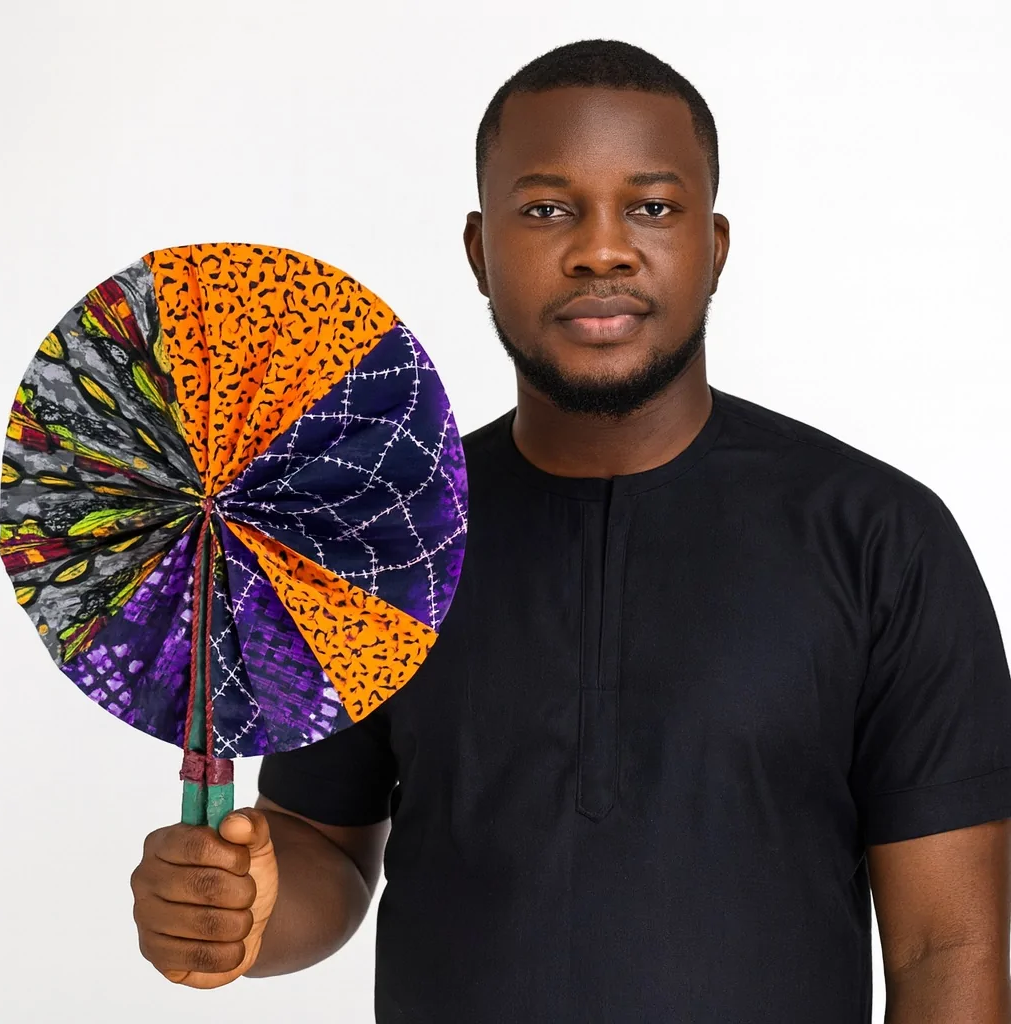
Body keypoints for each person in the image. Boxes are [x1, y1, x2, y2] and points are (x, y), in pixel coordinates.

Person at [129, 39, 1011, 1022]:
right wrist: (239, 907)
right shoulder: (379, 541)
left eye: (652, 207)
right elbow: (324, 847)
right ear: (478, 249)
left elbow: (948, 944)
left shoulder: (881, 540)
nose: (601, 248)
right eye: (546, 209)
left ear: (713, 247)